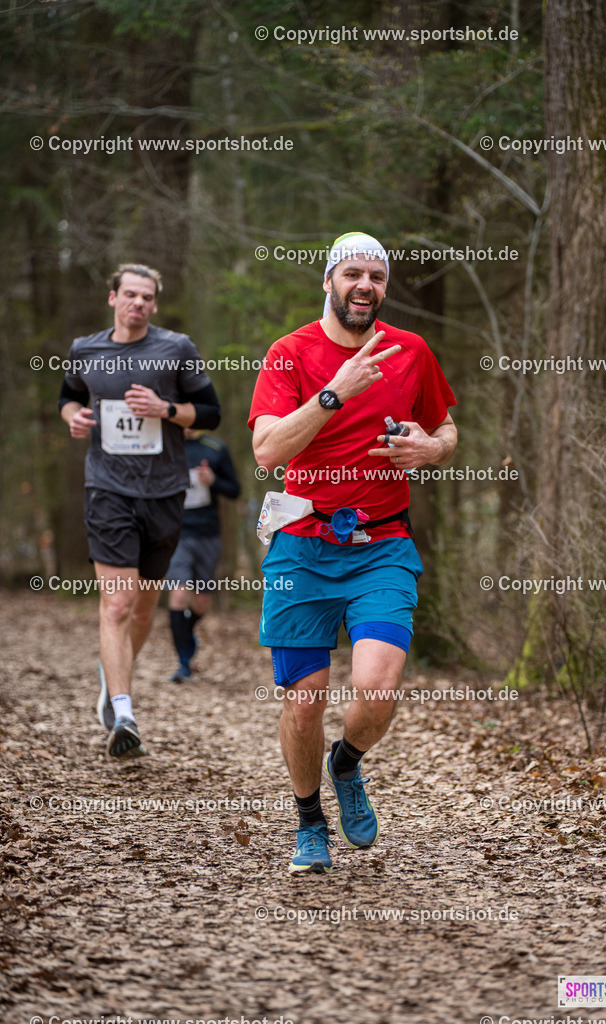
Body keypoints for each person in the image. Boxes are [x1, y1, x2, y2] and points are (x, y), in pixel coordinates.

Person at [249, 231, 457, 873]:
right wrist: (335, 391)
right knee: (304, 702)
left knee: (377, 689)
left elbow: (447, 428)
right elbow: (267, 451)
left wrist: (431, 448)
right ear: (329, 281)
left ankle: (346, 763)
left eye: (377, 276)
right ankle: (309, 820)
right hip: (301, 547)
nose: (365, 285)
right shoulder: (288, 354)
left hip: (382, 543)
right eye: (352, 273)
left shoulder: (410, 351)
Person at [58, 263, 221, 758]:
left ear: (155, 303)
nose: (139, 303)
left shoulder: (176, 348)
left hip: (164, 493)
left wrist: (165, 409)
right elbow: (68, 397)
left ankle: (111, 678)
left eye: (147, 297)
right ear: (113, 298)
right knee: (116, 604)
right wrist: (74, 417)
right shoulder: (86, 349)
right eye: (130, 294)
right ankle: (123, 711)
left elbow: (210, 413)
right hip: (107, 490)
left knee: (145, 607)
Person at [166, 428, 241, 682]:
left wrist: (213, 481)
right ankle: (183, 663)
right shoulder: (166, 446)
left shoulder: (216, 448)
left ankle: (186, 633)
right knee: (178, 594)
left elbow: (235, 490)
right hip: (177, 533)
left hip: (208, 534)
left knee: (201, 603)